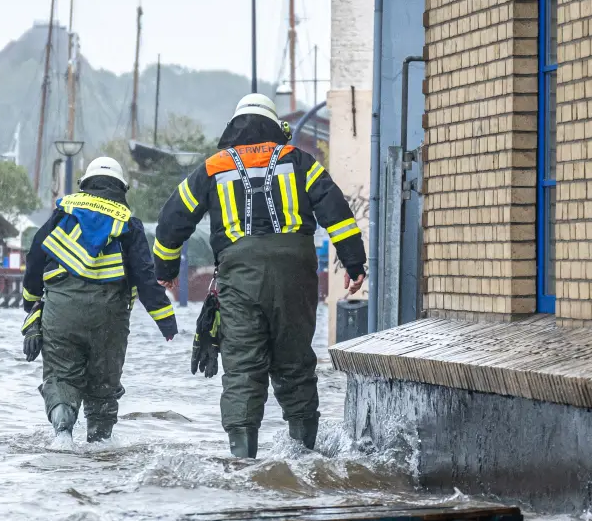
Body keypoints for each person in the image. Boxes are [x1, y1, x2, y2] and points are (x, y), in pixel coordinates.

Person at [153, 93, 366, 457]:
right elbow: (337, 211)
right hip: (295, 274)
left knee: (242, 366)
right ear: (273, 126)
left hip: (240, 278)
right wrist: (353, 262)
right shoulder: (299, 161)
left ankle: (243, 464)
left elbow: (173, 220)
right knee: (295, 361)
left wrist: (166, 270)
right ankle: (305, 460)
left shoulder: (212, 168)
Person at [22, 156, 178, 444]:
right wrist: (166, 322)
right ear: (121, 189)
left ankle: (62, 435)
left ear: (85, 185)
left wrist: (30, 303)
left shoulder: (65, 213)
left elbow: (35, 255)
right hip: (110, 319)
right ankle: (101, 450)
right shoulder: (129, 224)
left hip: (61, 315)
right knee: (103, 389)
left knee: (61, 377)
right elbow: (146, 278)